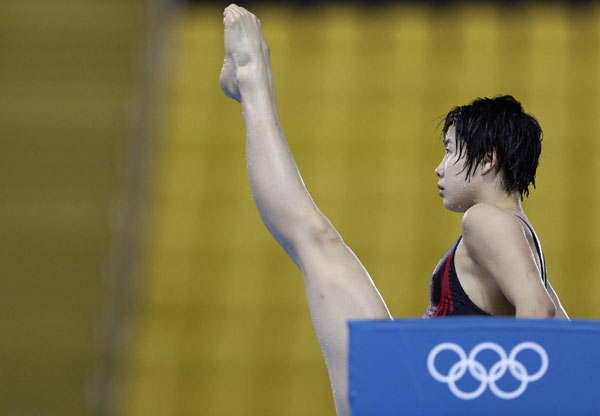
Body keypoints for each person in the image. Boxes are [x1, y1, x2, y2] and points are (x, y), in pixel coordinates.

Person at [219, 4, 568, 415]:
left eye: (451, 150)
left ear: (487, 160)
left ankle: (253, 81)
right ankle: (251, 83)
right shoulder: (525, 241)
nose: (439, 167)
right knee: (315, 240)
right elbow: (563, 336)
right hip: (421, 393)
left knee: (314, 237)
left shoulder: (485, 219)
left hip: (413, 398)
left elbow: (539, 313)